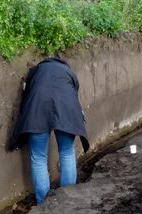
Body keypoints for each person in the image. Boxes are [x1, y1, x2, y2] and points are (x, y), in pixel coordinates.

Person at [9, 58, 89, 205]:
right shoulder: (69, 72)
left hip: (36, 110)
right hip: (66, 109)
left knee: (38, 157)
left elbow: (26, 97)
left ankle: (43, 205)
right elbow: (74, 94)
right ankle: (68, 201)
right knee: (67, 152)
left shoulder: (35, 72)